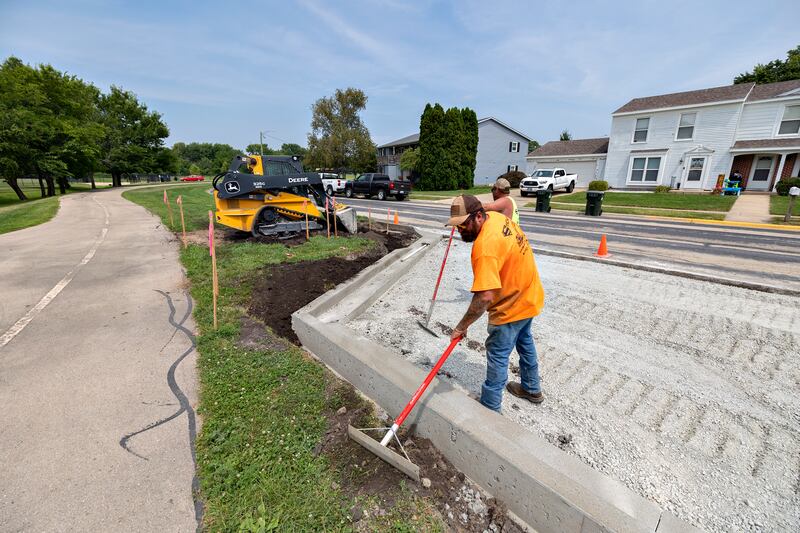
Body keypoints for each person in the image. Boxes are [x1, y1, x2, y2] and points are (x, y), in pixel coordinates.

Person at [445, 195, 545, 412]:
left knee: (498, 353)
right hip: (529, 294)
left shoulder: (484, 247)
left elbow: (484, 297)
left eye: (463, 225)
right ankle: (531, 387)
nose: (460, 230)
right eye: (456, 226)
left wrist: (462, 326)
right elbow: (508, 204)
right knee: (525, 341)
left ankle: (490, 407)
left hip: (512, 304)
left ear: (479, 216)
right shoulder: (497, 218)